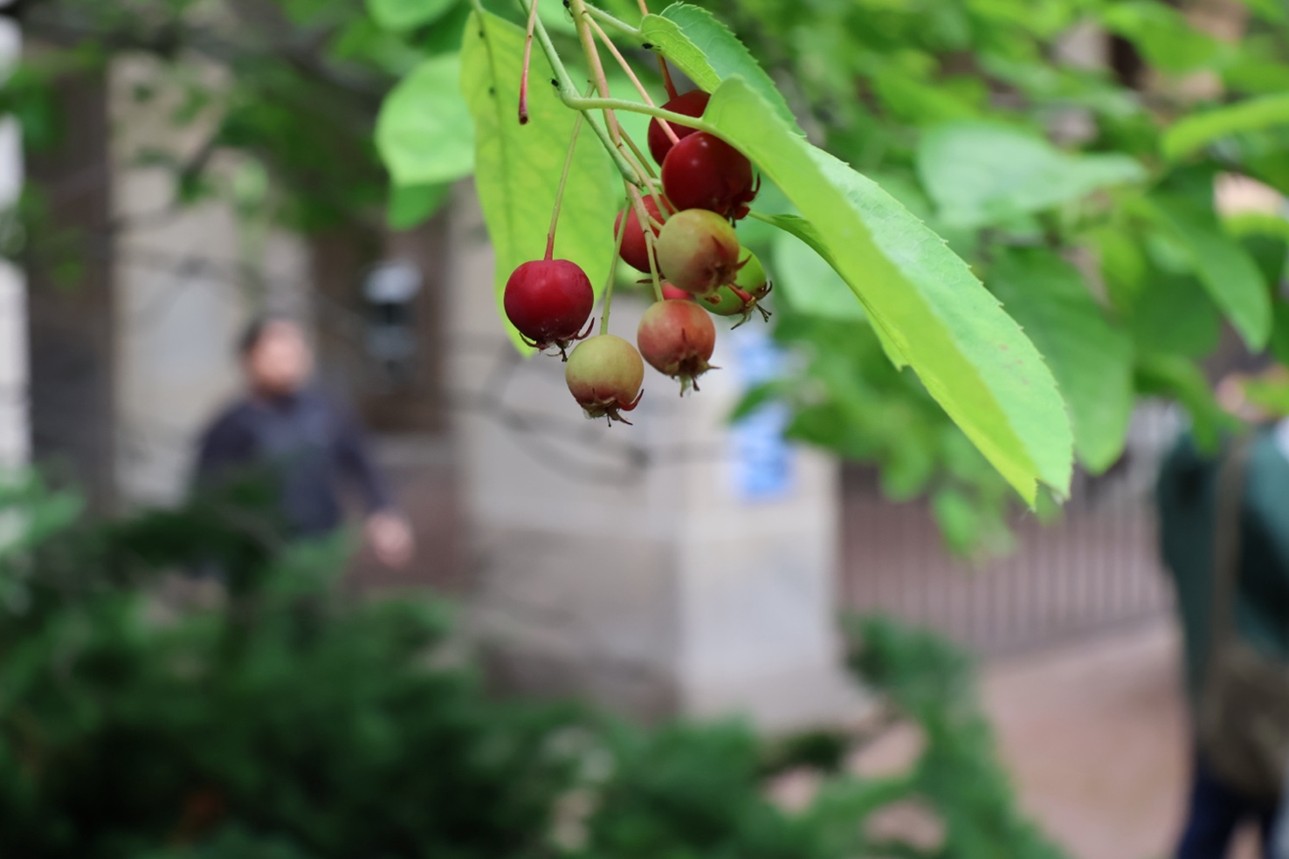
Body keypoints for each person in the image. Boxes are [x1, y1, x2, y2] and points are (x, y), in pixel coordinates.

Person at [1156, 373, 1289, 859]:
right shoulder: (1263, 468)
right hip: (1266, 686)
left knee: (1207, 823)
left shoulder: (1180, 463)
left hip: (1211, 673)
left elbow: (1170, 553)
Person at [194, 315, 413, 569]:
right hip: (259, 557)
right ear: (250, 358)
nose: (288, 360)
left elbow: (363, 466)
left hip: (322, 547)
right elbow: (207, 496)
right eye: (277, 353)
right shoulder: (231, 425)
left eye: (294, 352)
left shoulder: (327, 411)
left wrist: (383, 513)